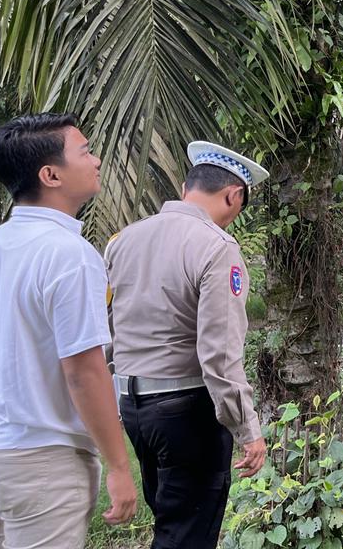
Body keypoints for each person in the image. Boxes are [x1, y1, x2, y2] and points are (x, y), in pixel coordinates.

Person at [0, 113, 138, 548]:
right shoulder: (69, 255)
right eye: (85, 151)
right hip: (41, 464)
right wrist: (118, 466)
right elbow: (84, 370)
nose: (95, 161)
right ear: (50, 174)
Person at [105, 140, 268, 549]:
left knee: (170, 520)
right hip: (186, 412)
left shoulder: (123, 240)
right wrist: (248, 428)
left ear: (185, 187)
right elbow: (219, 354)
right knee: (187, 535)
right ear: (234, 196)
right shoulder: (216, 247)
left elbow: (109, 329)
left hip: (134, 405)